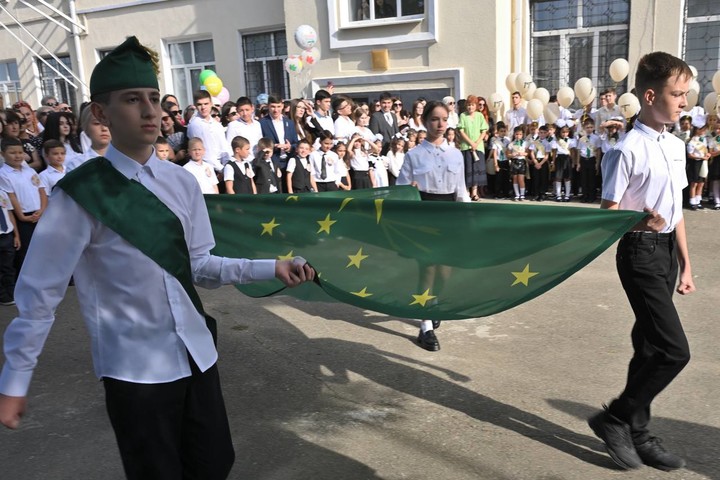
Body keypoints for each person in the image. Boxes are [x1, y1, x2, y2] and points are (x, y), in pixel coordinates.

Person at [0, 37, 315, 480]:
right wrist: (16, 378)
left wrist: (271, 267)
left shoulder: (181, 183)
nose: (150, 111)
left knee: (213, 464)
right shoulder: (81, 194)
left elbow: (200, 264)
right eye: (133, 100)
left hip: (195, 352)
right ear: (102, 114)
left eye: (153, 98)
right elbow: (39, 294)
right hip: (135, 369)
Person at [589, 51, 694, 472]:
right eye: (677, 94)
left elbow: (678, 210)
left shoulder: (675, 145)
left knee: (649, 347)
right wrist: (640, 221)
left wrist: (686, 265)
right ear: (651, 95)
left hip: (666, 253)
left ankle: (637, 432)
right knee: (674, 351)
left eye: (686, 94)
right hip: (639, 253)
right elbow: (607, 216)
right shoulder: (625, 150)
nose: (685, 101)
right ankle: (615, 417)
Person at [396, 100, 469, 352]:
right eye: (435, 119)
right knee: (427, 268)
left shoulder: (456, 154)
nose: (440, 125)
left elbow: (461, 189)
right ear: (425, 122)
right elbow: (401, 189)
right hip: (423, 214)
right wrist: (409, 191)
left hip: (449, 214)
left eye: (444, 119)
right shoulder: (413, 154)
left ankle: (433, 302)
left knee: (445, 270)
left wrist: (466, 216)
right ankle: (425, 325)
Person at [0, 137, 47, 275]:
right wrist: (21, 216)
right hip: (23, 217)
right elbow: (11, 197)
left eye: (20, 152)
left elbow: (41, 190)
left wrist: (42, 209)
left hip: (39, 214)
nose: (17, 156)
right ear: (2, 154)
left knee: (42, 248)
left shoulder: (30, 171)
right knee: (25, 252)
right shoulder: (4, 174)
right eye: (12, 153)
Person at [187, 90, 231, 174]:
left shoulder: (216, 124)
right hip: (206, 169)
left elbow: (224, 147)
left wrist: (227, 166)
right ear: (195, 106)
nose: (203, 107)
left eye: (206, 104)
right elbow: (203, 152)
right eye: (200, 104)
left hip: (222, 168)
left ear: (211, 104)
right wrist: (221, 169)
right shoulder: (195, 125)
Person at [457, 95, 489, 201]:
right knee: (467, 169)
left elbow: (484, 130)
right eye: (469, 105)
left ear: (475, 106)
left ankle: (474, 193)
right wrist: (471, 143)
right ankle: (466, 192)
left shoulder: (480, 116)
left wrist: (477, 143)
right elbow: (461, 131)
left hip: (478, 147)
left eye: (472, 105)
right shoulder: (463, 116)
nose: (470, 107)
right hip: (466, 147)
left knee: (476, 170)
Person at [259, 96, 297, 175]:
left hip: (288, 162)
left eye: (278, 106)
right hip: (272, 162)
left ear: (282, 106)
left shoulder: (289, 123)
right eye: (273, 107)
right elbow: (260, 143)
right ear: (268, 106)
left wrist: (289, 147)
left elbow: (296, 143)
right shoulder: (262, 123)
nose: (276, 110)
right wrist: (273, 146)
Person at [66, 107, 112, 172]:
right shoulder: (76, 165)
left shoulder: (125, 159)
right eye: (97, 123)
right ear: (86, 127)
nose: (104, 128)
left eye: (107, 123)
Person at [573, 118, 602, 203]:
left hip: (592, 159)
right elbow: (579, 150)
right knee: (584, 179)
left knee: (591, 179)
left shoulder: (596, 138)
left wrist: (597, 162)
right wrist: (578, 163)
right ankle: (584, 195)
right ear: (584, 128)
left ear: (593, 128)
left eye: (591, 127)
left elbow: (598, 150)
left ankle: (591, 196)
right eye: (587, 127)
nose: (589, 129)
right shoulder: (582, 139)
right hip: (583, 159)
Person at [686, 115, 710, 211]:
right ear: (697, 130)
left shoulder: (703, 139)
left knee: (701, 183)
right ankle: (692, 201)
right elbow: (690, 155)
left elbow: (706, 149)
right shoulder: (691, 141)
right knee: (694, 183)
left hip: (703, 163)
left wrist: (707, 154)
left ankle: (698, 200)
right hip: (695, 164)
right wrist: (701, 157)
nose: (704, 131)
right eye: (702, 129)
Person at [0, 188, 19, 306]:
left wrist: (16, 235)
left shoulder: (2, 193)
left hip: (7, 234)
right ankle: (2, 295)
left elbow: (10, 213)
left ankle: (12, 292)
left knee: (9, 266)